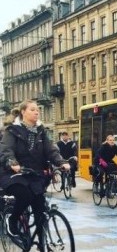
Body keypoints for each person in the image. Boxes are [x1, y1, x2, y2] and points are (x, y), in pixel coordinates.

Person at [0, 100, 70, 247]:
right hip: (13, 173)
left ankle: (41, 244)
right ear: (23, 112)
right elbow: (6, 150)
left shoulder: (41, 131)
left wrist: (61, 162)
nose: (37, 112)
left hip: (33, 173)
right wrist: (12, 163)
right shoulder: (12, 130)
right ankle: (12, 221)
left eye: (37, 110)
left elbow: (51, 150)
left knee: (40, 207)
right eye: (32, 109)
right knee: (25, 195)